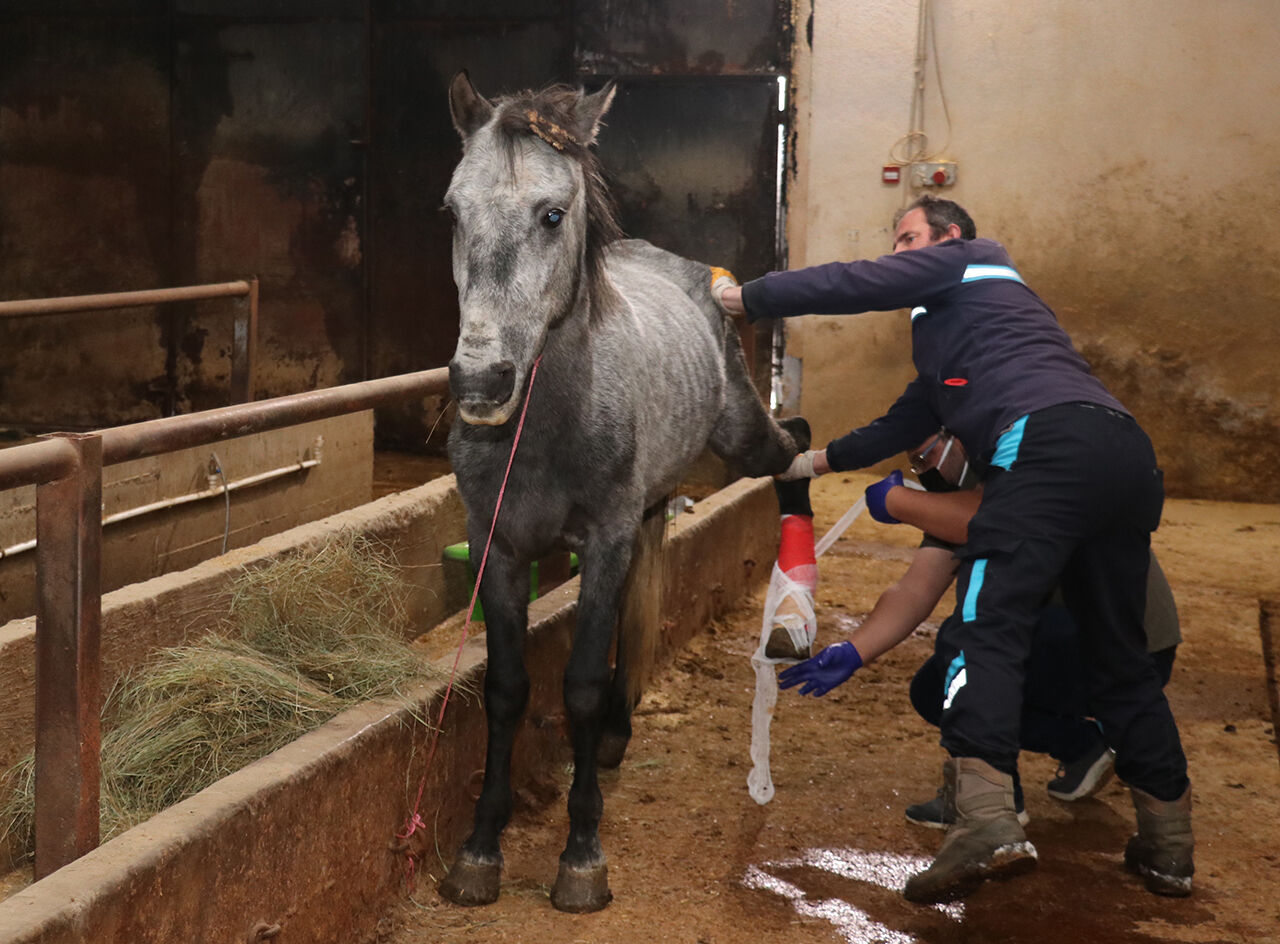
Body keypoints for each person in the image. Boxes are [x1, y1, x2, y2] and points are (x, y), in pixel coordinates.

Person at [713, 195, 1193, 903]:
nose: (900, 252)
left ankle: (988, 821)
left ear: (951, 239)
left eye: (909, 239)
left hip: (1045, 445)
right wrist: (809, 464)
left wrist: (744, 298)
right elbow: (903, 421)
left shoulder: (977, 261)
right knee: (1118, 656)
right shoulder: (963, 338)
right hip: (1121, 455)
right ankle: (1169, 845)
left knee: (984, 632)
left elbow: (854, 282)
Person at [841, 431, 1181, 829]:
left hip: (1117, 652)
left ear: (961, 439)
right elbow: (915, 589)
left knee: (973, 641)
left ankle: (993, 799)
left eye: (930, 453)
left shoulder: (1013, 478)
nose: (926, 468)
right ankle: (1082, 747)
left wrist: (899, 502)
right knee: (932, 688)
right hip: (1122, 653)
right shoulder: (977, 487)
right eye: (917, 462)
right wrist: (852, 652)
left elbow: (989, 523)